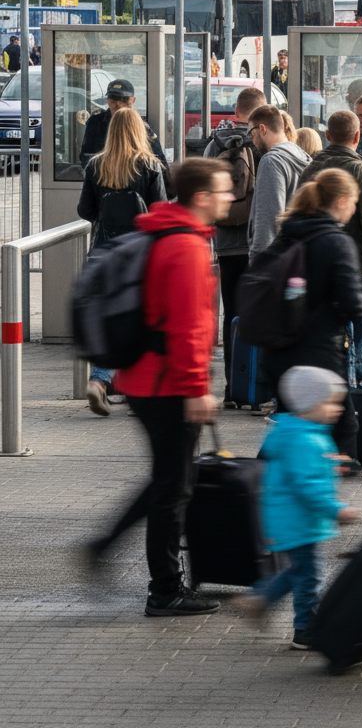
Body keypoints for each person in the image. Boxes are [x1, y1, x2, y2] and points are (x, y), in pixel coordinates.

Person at [87, 157, 233, 616]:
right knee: (174, 489)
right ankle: (165, 590)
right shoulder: (186, 247)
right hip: (168, 384)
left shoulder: (160, 232)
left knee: (169, 478)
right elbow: (187, 327)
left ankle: (105, 547)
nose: (231, 196)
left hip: (143, 379)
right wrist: (196, 388)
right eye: (225, 190)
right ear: (202, 197)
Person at [238, 366, 360, 650]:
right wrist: (336, 510)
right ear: (309, 405)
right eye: (330, 403)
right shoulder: (306, 439)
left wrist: (329, 464)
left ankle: (261, 599)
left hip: (294, 517)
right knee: (309, 575)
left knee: (301, 571)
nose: (337, 410)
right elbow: (307, 486)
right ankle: (304, 628)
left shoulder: (299, 432)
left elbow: (305, 473)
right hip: (300, 519)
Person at [259, 169, 362, 462]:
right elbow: (354, 304)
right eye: (355, 202)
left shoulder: (286, 236)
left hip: (277, 350)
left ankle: (267, 487)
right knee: (345, 429)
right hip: (319, 355)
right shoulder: (336, 241)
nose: (355, 209)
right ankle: (325, 501)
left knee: (288, 422)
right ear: (343, 201)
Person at [77, 108, 168, 417]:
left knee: (109, 321)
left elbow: (84, 210)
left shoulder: (95, 166)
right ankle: (135, 385)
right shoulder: (150, 166)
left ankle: (100, 381)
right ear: (138, 131)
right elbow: (159, 212)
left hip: (104, 252)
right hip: (140, 255)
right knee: (139, 318)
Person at [299, 110, 362, 387]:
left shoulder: (310, 170)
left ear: (327, 136)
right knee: (355, 344)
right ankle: (352, 397)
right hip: (359, 269)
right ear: (358, 136)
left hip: (315, 270)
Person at [203, 86, 265, 404]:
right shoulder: (261, 140)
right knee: (259, 313)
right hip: (257, 243)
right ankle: (255, 385)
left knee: (232, 315)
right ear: (260, 111)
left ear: (236, 109)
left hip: (226, 244)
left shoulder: (216, 143)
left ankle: (231, 389)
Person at [247, 104, 312, 260]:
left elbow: (268, 221)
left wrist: (257, 265)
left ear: (262, 129)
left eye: (251, 133)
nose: (252, 140)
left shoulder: (272, 161)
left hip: (275, 260)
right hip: (297, 255)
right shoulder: (303, 157)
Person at [80, 78, 169, 170]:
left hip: (135, 177)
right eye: (113, 99)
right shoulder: (95, 123)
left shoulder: (142, 126)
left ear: (133, 100)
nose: (118, 104)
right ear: (108, 100)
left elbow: (158, 160)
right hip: (105, 177)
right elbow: (86, 158)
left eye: (124, 99)